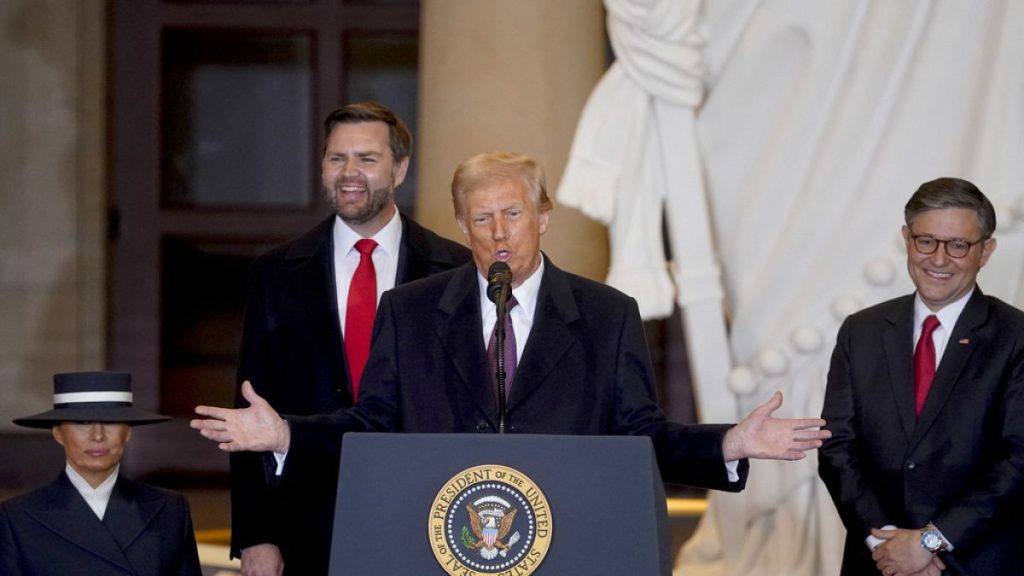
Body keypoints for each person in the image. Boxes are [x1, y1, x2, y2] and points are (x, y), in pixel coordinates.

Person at [193, 151, 829, 508]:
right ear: (463, 227)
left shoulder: (606, 316)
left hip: (565, 540)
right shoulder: (410, 313)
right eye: (481, 219)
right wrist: (285, 436)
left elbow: (640, 436)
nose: (499, 234)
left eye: (513, 214)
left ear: (543, 217)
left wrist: (728, 447)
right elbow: (370, 426)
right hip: (436, 541)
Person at [230, 101, 471, 576]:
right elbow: (251, 407)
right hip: (308, 520)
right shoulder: (276, 273)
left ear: (400, 169)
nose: (349, 173)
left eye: (367, 158)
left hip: (427, 516)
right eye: (337, 158)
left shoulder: (456, 270)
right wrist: (257, 533)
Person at [818, 177, 1024, 576]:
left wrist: (931, 542)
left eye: (958, 245)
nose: (939, 259)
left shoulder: (1015, 337)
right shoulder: (860, 331)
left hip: (978, 562)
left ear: (986, 251)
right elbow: (837, 448)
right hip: (879, 562)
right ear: (906, 239)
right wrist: (889, 545)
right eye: (926, 240)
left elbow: (1018, 459)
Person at [0, 371, 201, 576]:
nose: (98, 435)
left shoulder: (170, 510)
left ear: (128, 432)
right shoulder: (17, 518)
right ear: (58, 433)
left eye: (111, 421)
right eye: (83, 423)